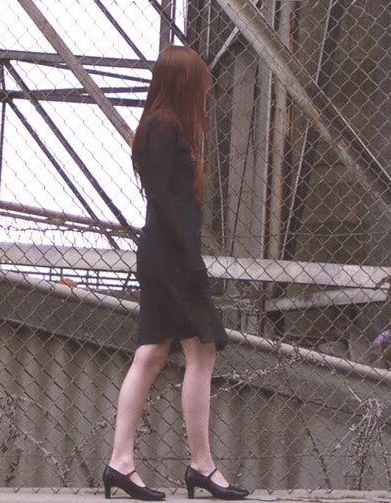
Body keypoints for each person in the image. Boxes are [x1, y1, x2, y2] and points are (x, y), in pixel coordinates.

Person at [101, 46, 249, 501]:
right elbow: (161, 197)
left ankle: (121, 463)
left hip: (166, 252)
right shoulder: (163, 126)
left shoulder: (162, 125)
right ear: (183, 83)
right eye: (199, 85)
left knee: (152, 353)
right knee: (201, 350)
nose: (204, 94)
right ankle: (200, 466)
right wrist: (190, 256)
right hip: (171, 255)